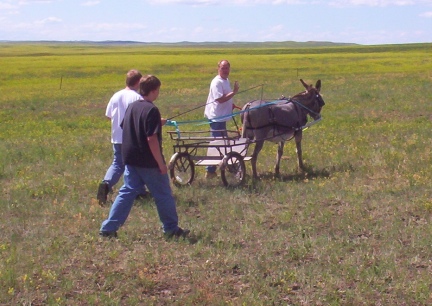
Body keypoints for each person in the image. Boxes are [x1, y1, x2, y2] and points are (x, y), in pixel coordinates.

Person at [99, 75, 189, 239]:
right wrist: (161, 163)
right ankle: (171, 229)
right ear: (154, 90)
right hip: (148, 162)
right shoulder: (152, 109)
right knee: (163, 194)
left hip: (131, 159)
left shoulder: (133, 106)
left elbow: (127, 125)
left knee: (126, 192)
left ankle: (108, 228)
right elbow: (151, 138)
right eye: (158, 90)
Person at [97, 69, 148, 206]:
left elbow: (108, 116)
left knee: (117, 163)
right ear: (137, 82)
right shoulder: (137, 98)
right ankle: (137, 191)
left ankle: (106, 184)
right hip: (131, 138)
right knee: (136, 164)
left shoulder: (116, 95)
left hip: (116, 137)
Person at [204, 60, 240, 179]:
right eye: (223, 68)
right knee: (216, 143)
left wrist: (231, 104)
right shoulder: (216, 82)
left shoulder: (226, 80)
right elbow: (220, 99)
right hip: (216, 118)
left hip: (222, 117)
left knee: (222, 143)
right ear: (218, 69)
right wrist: (234, 92)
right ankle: (210, 170)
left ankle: (221, 167)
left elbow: (226, 97)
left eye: (227, 68)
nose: (225, 70)